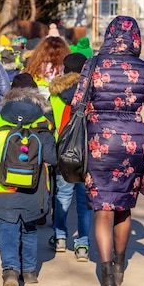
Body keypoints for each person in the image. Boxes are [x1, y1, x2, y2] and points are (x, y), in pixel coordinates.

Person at [71, 16, 144, 286]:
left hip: (98, 144)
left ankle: (107, 278)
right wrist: (139, 134)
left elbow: (76, 104)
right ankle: (121, 266)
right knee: (122, 208)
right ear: (135, 38)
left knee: (103, 210)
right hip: (130, 145)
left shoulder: (94, 64)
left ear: (109, 35)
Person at [0, 73, 57, 286]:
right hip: (35, 189)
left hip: (4, 189)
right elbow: (52, 158)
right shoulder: (44, 122)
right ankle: (30, 271)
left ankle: (10, 271)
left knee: (7, 229)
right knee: (29, 229)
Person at [48, 52, 93, 262]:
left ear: (64, 70)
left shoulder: (56, 95)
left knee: (63, 196)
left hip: (63, 153)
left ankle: (59, 237)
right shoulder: (92, 92)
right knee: (84, 201)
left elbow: (49, 126)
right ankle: (83, 244)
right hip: (87, 153)